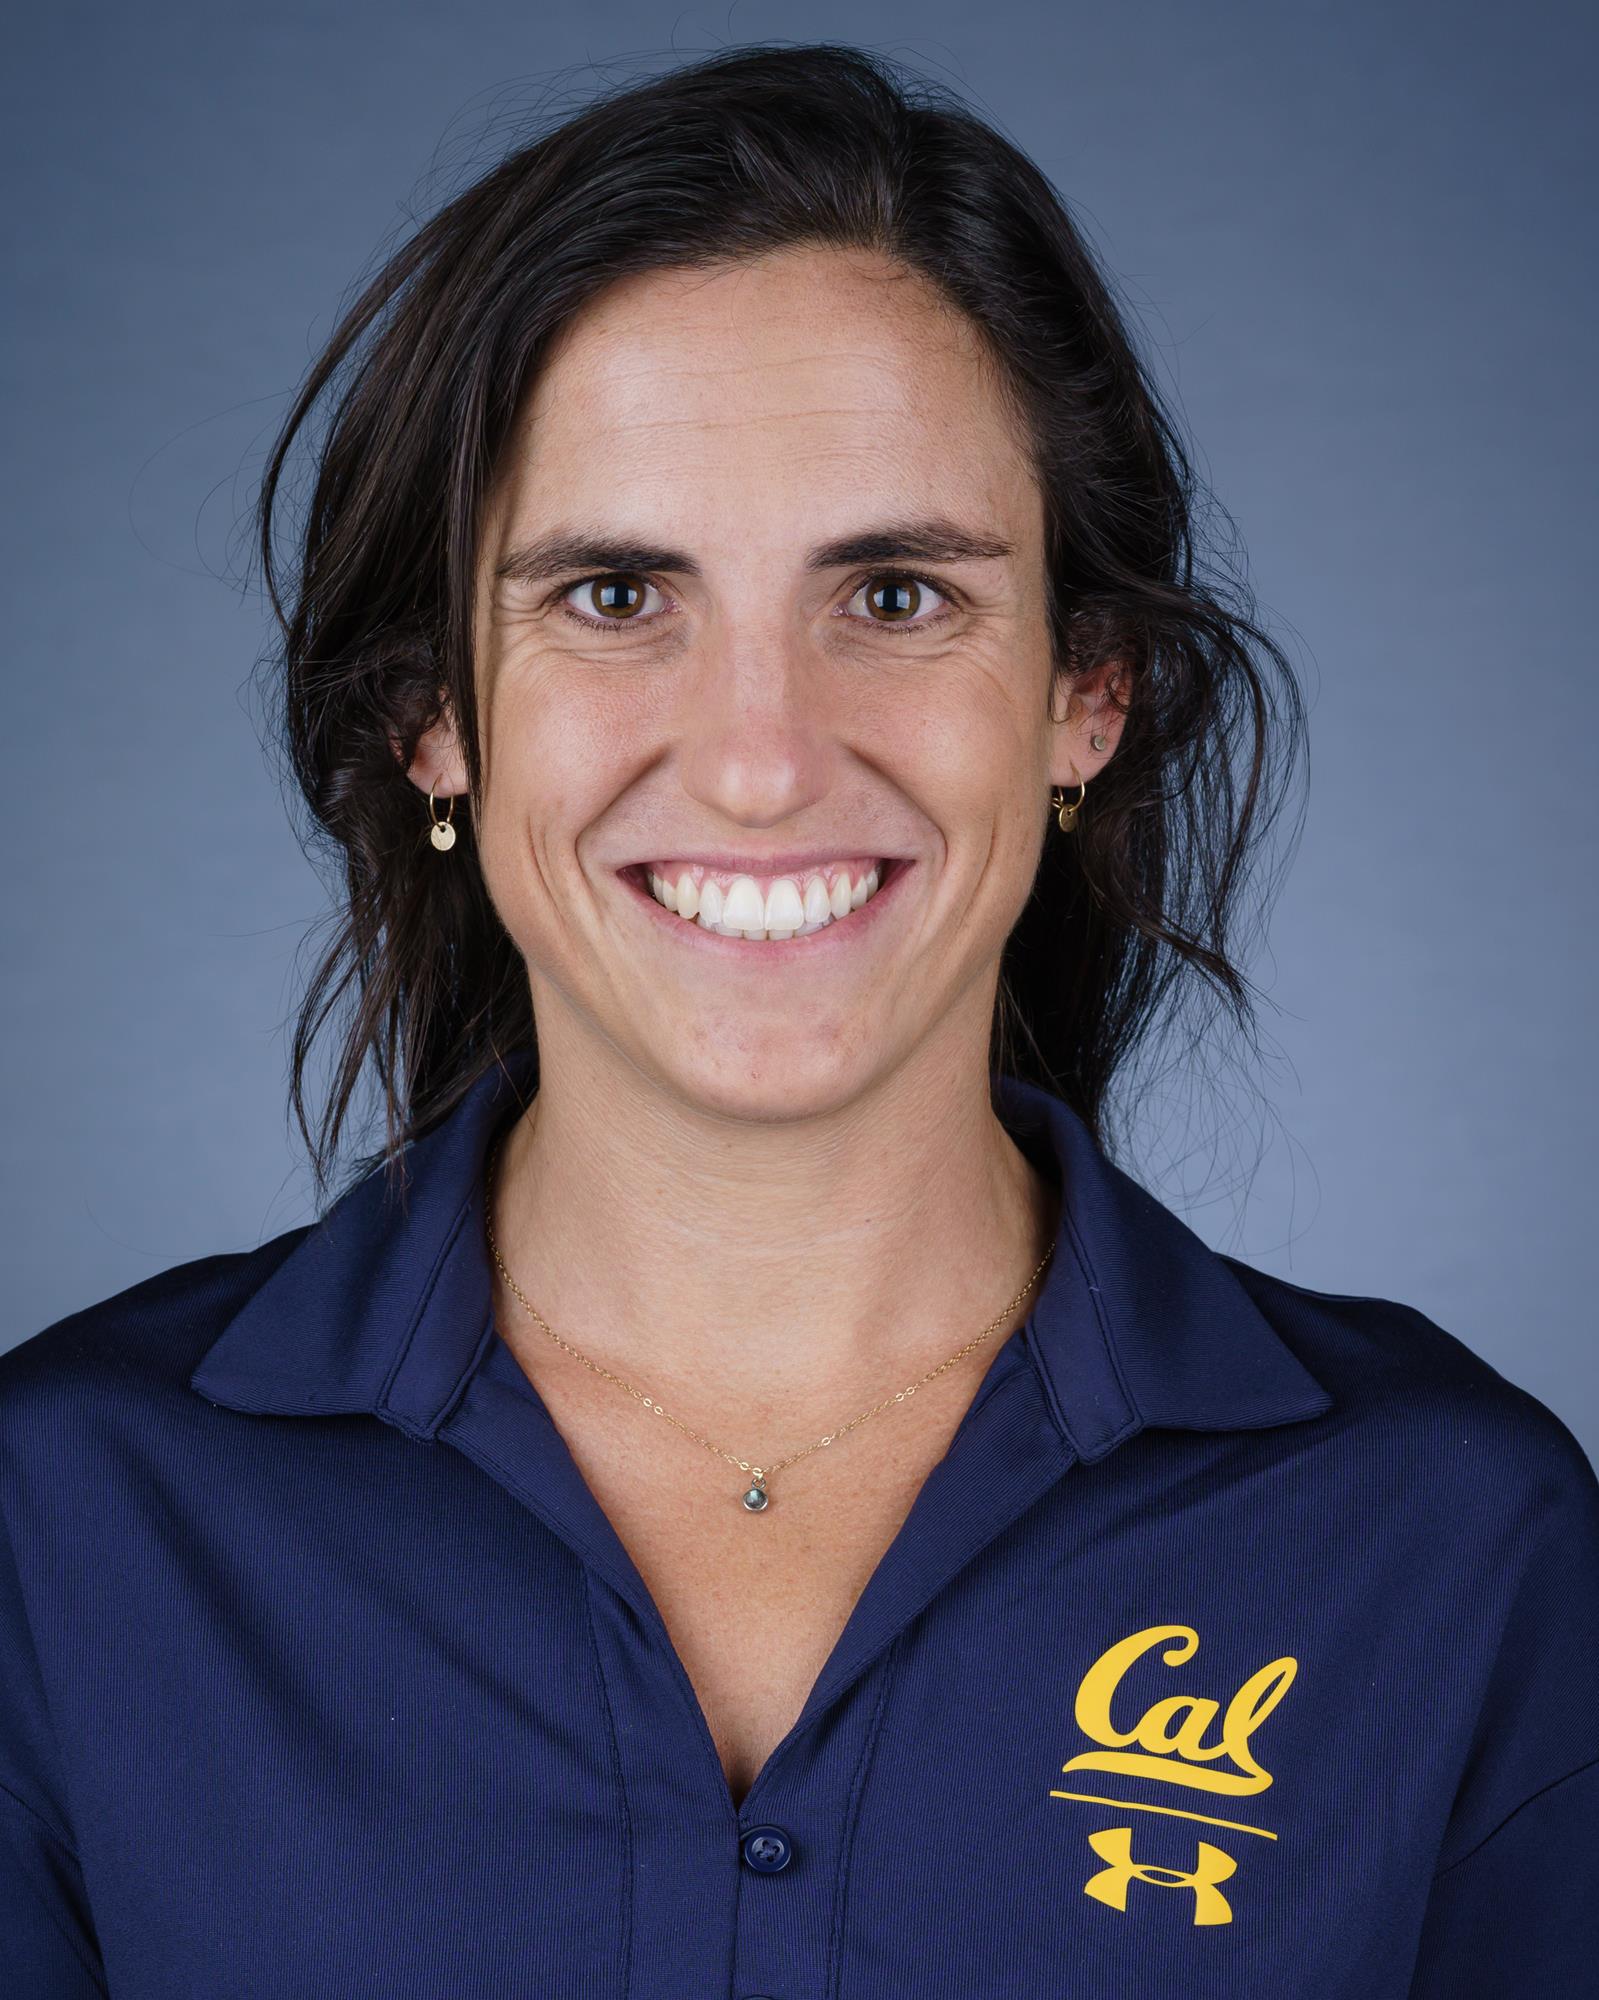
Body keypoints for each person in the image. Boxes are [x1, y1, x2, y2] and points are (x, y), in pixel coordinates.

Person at [3, 40, 1595, 1998]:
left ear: (1083, 691)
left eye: (899, 594)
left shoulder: (1448, 1539)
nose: (759, 763)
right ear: (431, 712)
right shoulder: (63, 1523)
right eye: (611, 596)